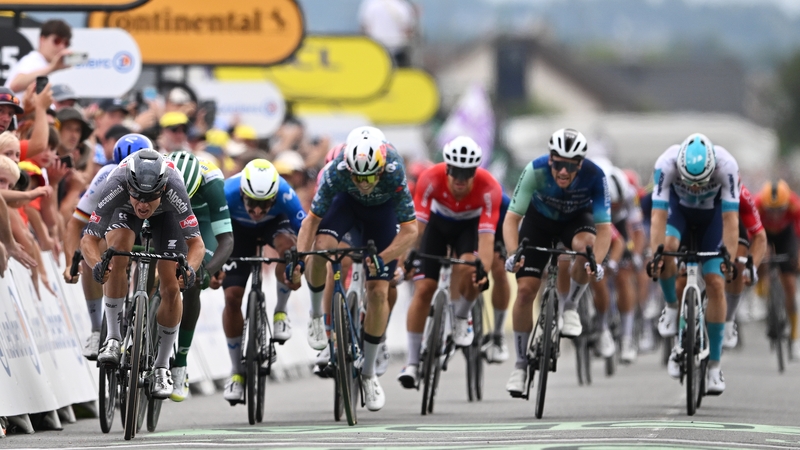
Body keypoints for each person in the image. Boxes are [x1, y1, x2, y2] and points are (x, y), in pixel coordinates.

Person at [294, 126, 417, 411]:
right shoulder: (336, 170)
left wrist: (384, 258)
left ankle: (369, 373)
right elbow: (311, 222)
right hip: (346, 207)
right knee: (322, 247)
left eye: (370, 175)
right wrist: (300, 258)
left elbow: (410, 231)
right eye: (357, 176)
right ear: (347, 167)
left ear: (382, 166)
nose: (363, 183)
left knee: (377, 293)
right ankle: (316, 316)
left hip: (382, 215)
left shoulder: (394, 170)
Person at [81, 150, 205, 399]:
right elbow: (88, 239)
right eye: (137, 195)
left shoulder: (174, 187)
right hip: (122, 210)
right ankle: (114, 338)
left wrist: (189, 269)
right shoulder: (117, 183)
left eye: (149, 197)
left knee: (171, 286)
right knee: (116, 254)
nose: (143, 203)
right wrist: (97, 264)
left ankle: (161, 367)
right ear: (129, 186)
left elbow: (197, 245)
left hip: (168, 215)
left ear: (162, 189)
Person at [502, 128, 611, 397]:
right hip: (538, 223)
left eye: (571, 166)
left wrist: (596, 261)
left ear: (580, 165)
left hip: (576, 221)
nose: (563, 172)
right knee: (526, 290)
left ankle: (570, 305)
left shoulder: (595, 176)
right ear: (550, 159)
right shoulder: (534, 170)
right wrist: (513, 253)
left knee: (586, 251)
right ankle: (519, 366)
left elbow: (605, 229)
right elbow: (512, 219)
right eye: (559, 164)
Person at [397, 136, 500, 388]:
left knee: (468, 268)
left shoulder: (489, 188)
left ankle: (462, 318)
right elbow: (416, 228)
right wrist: (407, 258)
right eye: (455, 172)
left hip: (469, 228)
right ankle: (412, 362)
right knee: (423, 291)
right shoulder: (430, 178)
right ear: (447, 168)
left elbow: (486, 239)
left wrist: (483, 270)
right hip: (437, 226)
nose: (460, 180)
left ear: (476, 171)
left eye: (467, 173)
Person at [649, 133, 740, 395]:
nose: (697, 188)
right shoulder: (665, 163)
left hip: (713, 219)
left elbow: (732, 220)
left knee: (715, 282)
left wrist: (729, 259)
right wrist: (655, 254)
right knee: (667, 250)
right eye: (690, 182)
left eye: (703, 182)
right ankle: (671, 307)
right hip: (680, 215)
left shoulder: (727, 166)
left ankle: (714, 367)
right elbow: (657, 215)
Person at [220, 159, 305, 405]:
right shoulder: (227, 191)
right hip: (237, 230)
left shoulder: (286, 194)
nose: (257, 211)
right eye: (252, 204)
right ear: (243, 194)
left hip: (274, 226)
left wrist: (300, 265)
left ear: (274, 196)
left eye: (264, 204)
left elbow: (305, 230)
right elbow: (208, 227)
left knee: (288, 250)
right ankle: (236, 371)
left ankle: (280, 312)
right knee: (232, 296)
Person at [64, 133, 152, 360]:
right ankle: (97, 330)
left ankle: (147, 324)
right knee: (93, 254)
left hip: (151, 224)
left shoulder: (161, 174)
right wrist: (68, 264)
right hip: (118, 222)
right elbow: (77, 224)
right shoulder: (107, 176)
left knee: (163, 266)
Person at [166, 151, 233, 401]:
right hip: (165, 212)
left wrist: (207, 269)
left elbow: (226, 239)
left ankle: (180, 362)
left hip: (201, 220)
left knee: (192, 280)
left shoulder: (213, 183)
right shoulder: (159, 171)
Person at [755, 179, 800, 359]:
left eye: (779, 210)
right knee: (761, 257)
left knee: (789, 284)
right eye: (770, 210)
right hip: (763, 233)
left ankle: (795, 337)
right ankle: (760, 293)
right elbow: (752, 232)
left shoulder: (794, 205)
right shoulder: (757, 204)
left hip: (786, 235)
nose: (774, 215)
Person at [722, 182, 767, 348]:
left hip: (731, 220)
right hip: (699, 219)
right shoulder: (687, 189)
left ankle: (729, 319)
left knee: (737, 266)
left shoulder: (741, 194)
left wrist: (751, 267)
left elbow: (760, 237)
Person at [4, 19, 73, 96]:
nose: (62, 47)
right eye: (57, 41)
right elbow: (15, 86)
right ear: (42, 40)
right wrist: (52, 68)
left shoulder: (43, 63)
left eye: (66, 43)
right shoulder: (33, 60)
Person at [358, 0, 417, 67]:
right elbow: (408, 31)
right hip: (398, 51)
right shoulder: (403, 6)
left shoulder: (369, 4)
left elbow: (364, 28)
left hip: (376, 50)